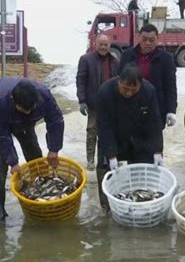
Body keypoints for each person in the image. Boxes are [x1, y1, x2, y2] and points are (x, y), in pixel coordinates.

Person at [0, 78, 64, 221]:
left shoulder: (44, 96)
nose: (28, 111)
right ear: (13, 100)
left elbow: (55, 120)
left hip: (25, 122)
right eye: (24, 109)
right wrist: (13, 161)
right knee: (1, 160)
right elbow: (0, 135)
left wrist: (54, 149)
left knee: (33, 151)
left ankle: (42, 192)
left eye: (31, 109)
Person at [97, 65, 163, 211]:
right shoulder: (105, 91)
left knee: (142, 175)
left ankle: (141, 207)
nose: (128, 93)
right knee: (105, 171)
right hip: (113, 135)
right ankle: (108, 208)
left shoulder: (149, 90)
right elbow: (104, 125)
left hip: (138, 137)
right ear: (119, 81)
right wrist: (111, 154)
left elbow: (154, 122)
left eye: (134, 90)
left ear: (141, 84)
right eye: (125, 88)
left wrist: (157, 150)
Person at [119, 24, 177, 130]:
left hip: (155, 107)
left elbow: (170, 86)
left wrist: (171, 110)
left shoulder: (166, 59)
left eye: (151, 40)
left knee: (153, 144)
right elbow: (119, 81)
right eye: (144, 39)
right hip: (130, 106)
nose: (147, 43)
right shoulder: (127, 55)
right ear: (139, 38)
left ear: (157, 39)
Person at [76, 34, 119, 171]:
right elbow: (80, 80)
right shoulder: (86, 59)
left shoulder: (115, 61)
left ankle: (106, 158)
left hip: (111, 103)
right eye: (101, 44)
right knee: (92, 131)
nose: (103, 47)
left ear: (109, 46)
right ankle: (90, 160)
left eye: (106, 44)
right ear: (95, 44)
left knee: (108, 132)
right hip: (94, 103)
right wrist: (82, 100)